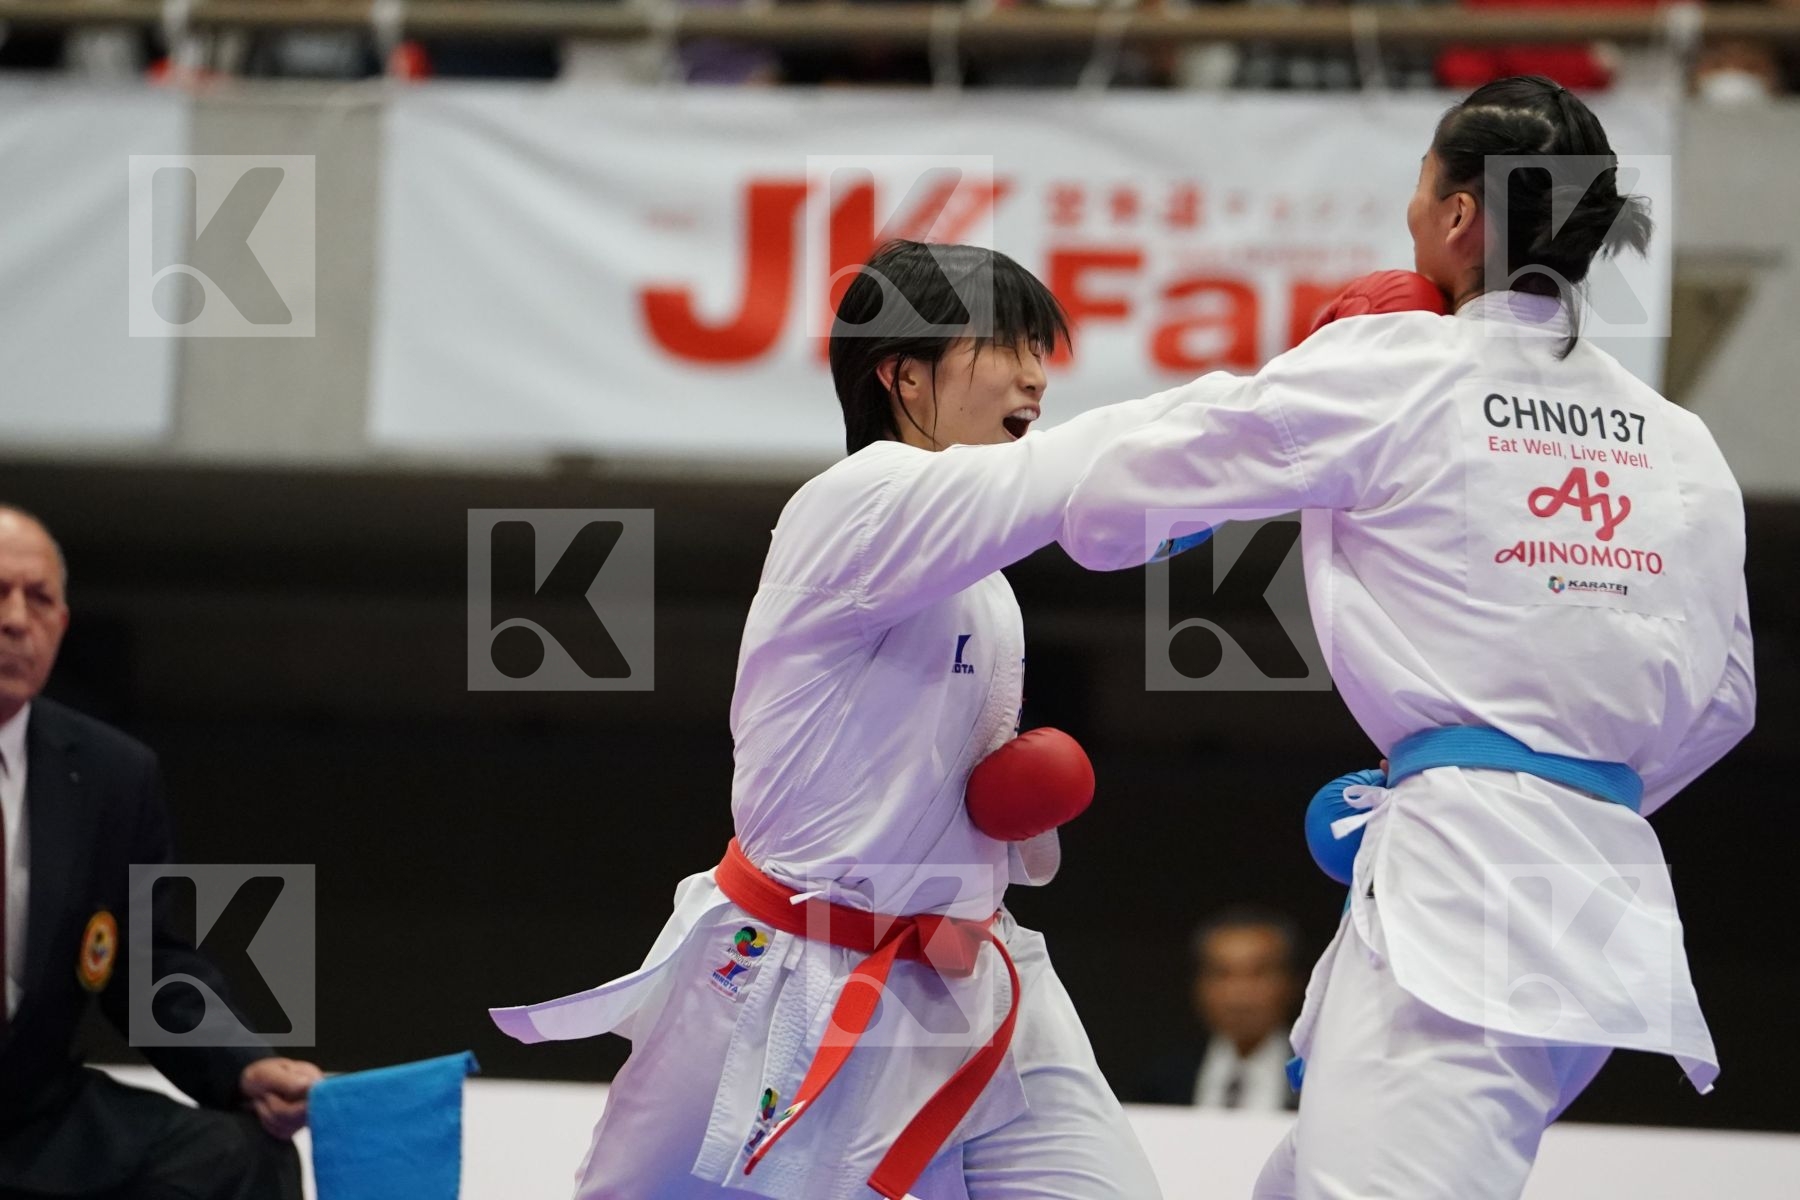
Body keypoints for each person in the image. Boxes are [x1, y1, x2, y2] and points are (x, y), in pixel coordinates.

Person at [1060, 76, 1755, 1199]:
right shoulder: (1683, 442)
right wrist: (1548, 782)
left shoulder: (1394, 366)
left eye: (1419, 187)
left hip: (1466, 899)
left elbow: (1114, 508)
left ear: (1458, 215)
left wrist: (1306, 372)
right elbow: (1727, 702)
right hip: (1597, 897)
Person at [491, 240, 1192, 1199]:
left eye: (1042, 348)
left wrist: (1011, 806)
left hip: (968, 958)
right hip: (797, 968)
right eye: (1007, 345)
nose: (1037, 374)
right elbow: (1078, 480)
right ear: (904, 375)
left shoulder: (982, 577)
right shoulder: (861, 501)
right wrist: (1279, 414)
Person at [0, 506, 323, 1200]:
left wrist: (244, 1065)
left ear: (62, 623)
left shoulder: (112, 775)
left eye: (40, 599)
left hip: (29, 1118)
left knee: (240, 1158)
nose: (16, 621)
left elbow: (146, 963)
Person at [1130, 907, 1302, 1112]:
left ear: (1292, 982)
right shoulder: (1162, 1082)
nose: (1240, 994)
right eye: (1222, 973)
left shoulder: (1316, 1075)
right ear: (1199, 985)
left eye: (1260, 973)